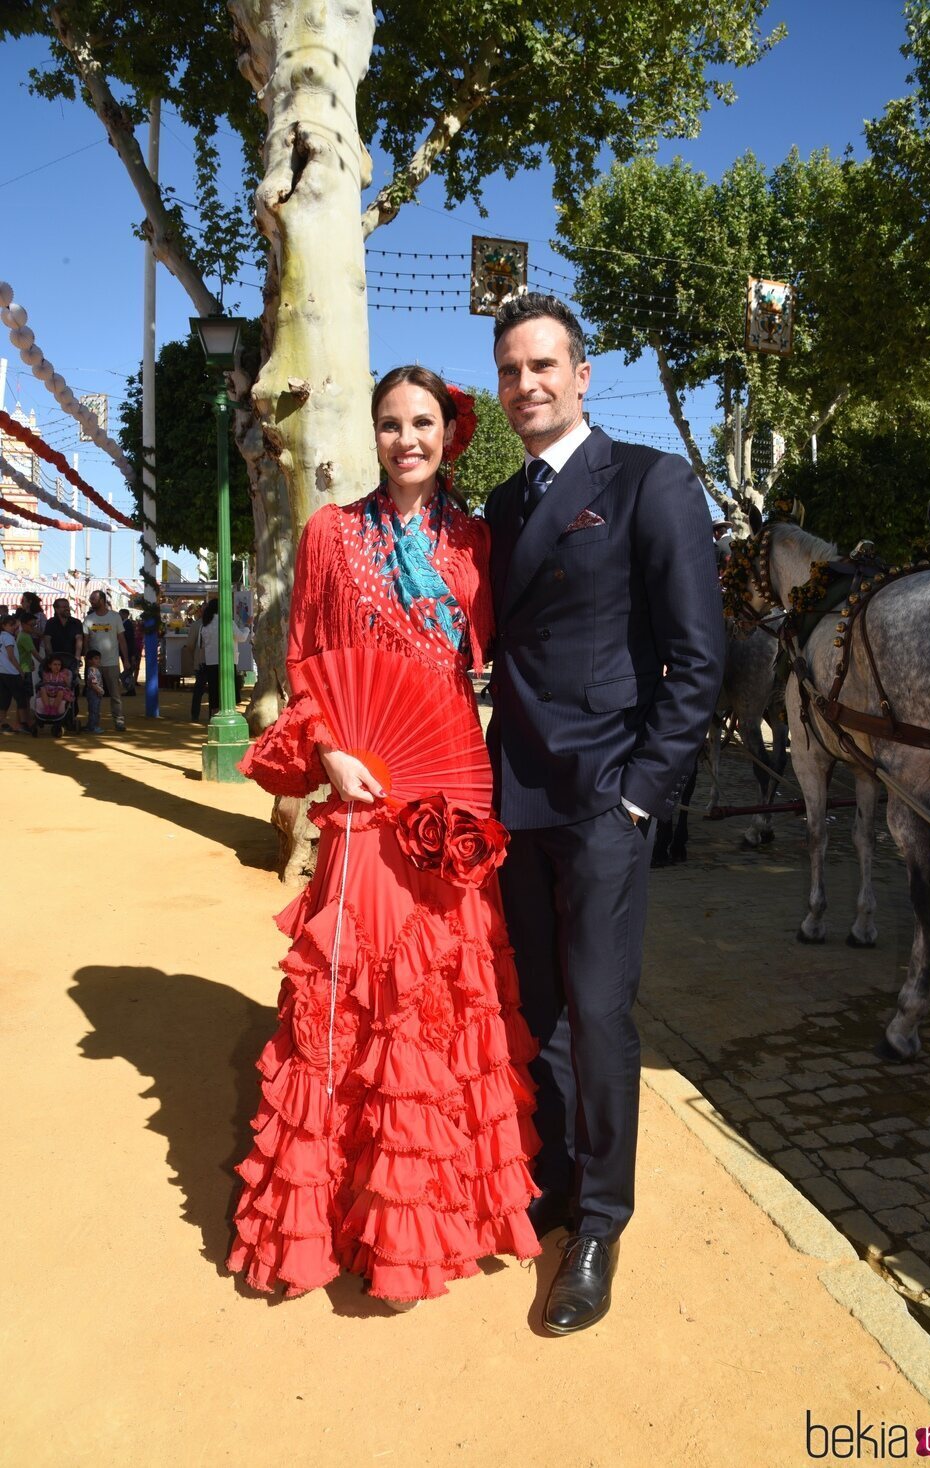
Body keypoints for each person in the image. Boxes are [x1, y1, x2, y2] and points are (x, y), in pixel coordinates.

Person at [227, 365, 540, 1306]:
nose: (407, 439)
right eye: (390, 424)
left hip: (445, 789)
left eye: (423, 423)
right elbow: (302, 659)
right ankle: (326, 1216)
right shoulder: (330, 535)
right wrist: (327, 753)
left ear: (450, 433)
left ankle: (436, 1218)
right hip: (362, 784)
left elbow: (502, 663)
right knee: (354, 983)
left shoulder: (478, 543)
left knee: (445, 991)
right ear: (373, 436)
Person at [483, 294, 726, 1335]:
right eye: (508, 371)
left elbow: (697, 659)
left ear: (582, 376)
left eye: (542, 365)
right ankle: (547, 1185)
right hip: (512, 797)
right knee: (535, 1009)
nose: (525, 384)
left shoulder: (647, 481)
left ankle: (599, 1220)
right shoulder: (497, 504)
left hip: (599, 801)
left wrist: (638, 794)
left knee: (598, 1013)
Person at [82, 589, 130, 732]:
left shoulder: (115, 617)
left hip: (112, 663)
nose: (91, 602)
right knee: (93, 696)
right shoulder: (88, 619)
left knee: (115, 695)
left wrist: (125, 659)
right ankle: (93, 723)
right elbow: (86, 641)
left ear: (102, 600)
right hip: (93, 666)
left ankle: (119, 721)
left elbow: (122, 640)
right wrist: (86, 661)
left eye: (93, 599)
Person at [197, 597, 248, 720]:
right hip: (228, 660)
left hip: (211, 661)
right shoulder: (227, 622)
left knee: (214, 691)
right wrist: (246, 627)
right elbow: (241, 637)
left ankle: (214, 716)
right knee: (229, 690)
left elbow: (202, 644)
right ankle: (229, 715)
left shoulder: (204, 625)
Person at [0, 610, 32, 735]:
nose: (14, 627)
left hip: (2, 672)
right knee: (21, 698)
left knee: (4, 699)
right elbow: (11, 656)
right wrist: (20, 670)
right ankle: (21, 723)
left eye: (14, 625)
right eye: (11, 625)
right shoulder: (8, 637)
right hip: (11, 672)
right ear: (4, 626)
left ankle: (2, 722)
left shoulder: (1, 636)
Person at [34, 654, 74, 737]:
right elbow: (45, 683)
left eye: (59, 665)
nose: (57, 667)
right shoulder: (47, 674)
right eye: (55, 665)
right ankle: (47, 707)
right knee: (42, 689)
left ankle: (54, 709)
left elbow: (68, 685)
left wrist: (66, 681)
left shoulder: (63, 674)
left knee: (60, 691)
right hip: (49, 690)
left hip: (60, 690)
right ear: (49, 666)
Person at [43, 597, 84, 672]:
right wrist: (52, 658)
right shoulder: (50, 622)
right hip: (56, 659)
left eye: (67, 606)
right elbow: (47, 641)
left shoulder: (76, 622)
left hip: (71, 658)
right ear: (57, 609)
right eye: (64, 607)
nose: (67, 609)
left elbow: (79, 640)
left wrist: (77, 659)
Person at [83, 650, 105, 733]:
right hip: (93, 693)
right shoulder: (92, 670)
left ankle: (91, 725)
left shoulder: (96, 669)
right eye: (96, 659)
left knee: (95, 710)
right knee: (94, 711)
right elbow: (93, 684)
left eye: (99, 659)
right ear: (89, 660)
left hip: (96, 693)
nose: (98, 661)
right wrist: (100, 690)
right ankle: (92, 727)